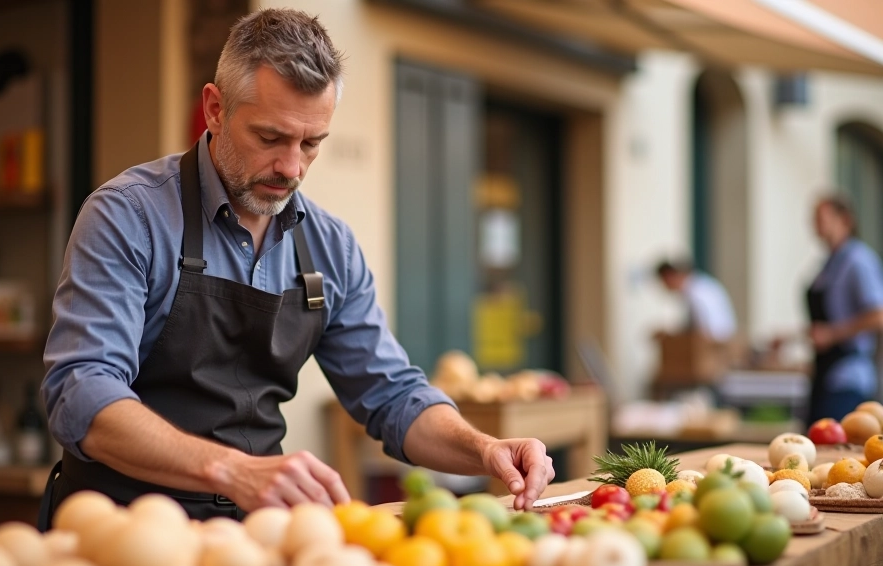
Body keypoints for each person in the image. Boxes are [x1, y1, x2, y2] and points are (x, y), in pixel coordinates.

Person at [39, 8, 553, 526]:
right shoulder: (129, 215)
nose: (291, 168)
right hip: (121, 528)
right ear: (215, 110)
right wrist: (233, 470)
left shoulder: (331, 247)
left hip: (261, 531)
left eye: (311, 144)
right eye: (270, 138)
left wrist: (485, 449)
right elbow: (81, 391)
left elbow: (392, 396)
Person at [803, 194, 883, 423]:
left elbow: (878, 315)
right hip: (824, 373)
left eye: (822, 217)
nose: (816, 224)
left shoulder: (859, 260)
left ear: (844, 220)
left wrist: (832, 334)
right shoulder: (829, 264)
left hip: (848, 377)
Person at [655, 260, 737, 342]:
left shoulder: (696, 291)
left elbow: (706, 329)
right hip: (720, 337)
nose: (663, 286)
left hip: (717, 341)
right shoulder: (699, 284)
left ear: (669, 276)